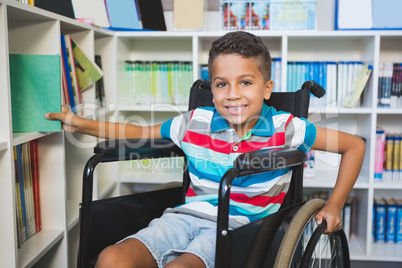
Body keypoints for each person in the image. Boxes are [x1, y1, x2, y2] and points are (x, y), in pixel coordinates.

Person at [45, 31, 365, 268]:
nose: (233, 94)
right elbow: (138, 133)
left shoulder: (287, 127)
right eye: (222, 83)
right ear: (211, 90)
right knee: (111, 258)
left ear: (267, 88)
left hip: (241, 225)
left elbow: (354, 146)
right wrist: (80, 123)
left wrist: (335, 205)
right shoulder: (195, 121)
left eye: (246, 82)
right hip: (184, 217)